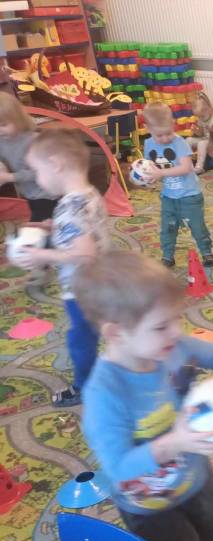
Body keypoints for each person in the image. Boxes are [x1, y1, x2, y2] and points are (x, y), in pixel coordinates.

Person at [75, 251, 213, 541]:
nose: (177, 331)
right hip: (150, 504)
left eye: (176, 319)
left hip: (194, 474)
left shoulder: (171, 347)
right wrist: (174, 442)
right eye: (160, 326)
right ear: (116, 333)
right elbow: (119, 467)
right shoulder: (105, 394)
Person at [16, 129, 109, 408]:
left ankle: (84, 386)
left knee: (80, 339)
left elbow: (84, 254)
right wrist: (53, 227)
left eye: (37, 171)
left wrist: (41, 255)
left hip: (81, 288)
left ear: (55, 164)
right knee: (99, 329)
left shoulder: (69, 208)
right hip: (100, 281)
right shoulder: (88, 194)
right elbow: (84, 231)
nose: (36, 178)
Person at [142, 103, 213, 268]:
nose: (165, 139)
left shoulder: (179, 142)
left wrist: (161, 173)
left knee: (197, 226)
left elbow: (186, 168)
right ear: (147, 129)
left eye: (168, 132)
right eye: (159, 135)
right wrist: (147, 178)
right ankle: (168, 256)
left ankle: (207, 252)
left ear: (173, 124)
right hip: (168, 197)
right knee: (168, 227)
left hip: (189, 196)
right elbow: (150, 167)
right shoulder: (148, 144)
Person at [0, 92, 57, 222]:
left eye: (3, 125)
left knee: (41, 225)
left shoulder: (32, 141)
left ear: (17, 119)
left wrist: (9, 177)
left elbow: (39, 172)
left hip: (46, 193)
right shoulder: (2, 140)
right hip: (29, 193)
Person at [188, 92, 213, 173]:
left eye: (202, 115)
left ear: (209, 109)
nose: (201, 118)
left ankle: (199, 167)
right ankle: (186, 163)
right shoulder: (200, 119)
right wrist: (196, 131)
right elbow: (201, 134)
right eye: (199, 116)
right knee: (188, 140)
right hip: (204, 139)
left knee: (202, 143)